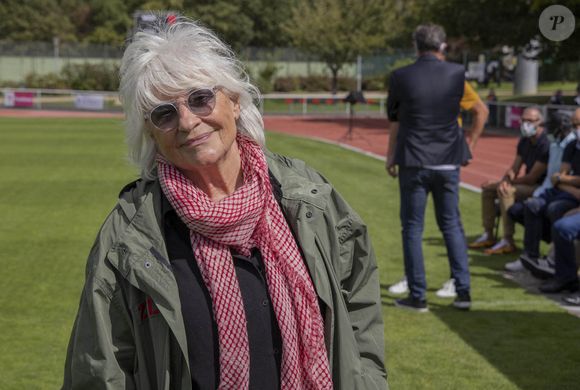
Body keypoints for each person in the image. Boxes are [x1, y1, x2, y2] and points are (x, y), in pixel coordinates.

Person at [62, 18, 387, 389]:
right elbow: (99, 371)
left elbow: (359, 308)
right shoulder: (129, 235)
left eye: (200, 98)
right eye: (164, 114)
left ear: (233, 101)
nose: (187, 122)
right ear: (150, 132)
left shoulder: (308, 198)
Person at [385, 24, 488, 312]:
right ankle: (463, 293)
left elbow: (395, 119)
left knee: (412, 228)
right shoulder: (457, 74)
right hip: (447, 161)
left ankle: (417, 296)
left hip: (413, 160)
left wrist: (390, 155)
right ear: (442, 46)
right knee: (452, 225)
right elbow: (477, 111)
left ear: (415, 46)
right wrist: (469, 146)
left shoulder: (400, 76)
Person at [469, 107, 549, 255]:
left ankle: (508, 240)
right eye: (523, 120)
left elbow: (532, 178)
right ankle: (488, 234)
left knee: (506, 191)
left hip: (540, 187)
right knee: (488, 188)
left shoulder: (545, 144)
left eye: (530, 121)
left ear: (540, 122)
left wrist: (506, 184)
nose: (525, 124)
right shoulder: (524, 141)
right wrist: (506, 179)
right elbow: (515, 167)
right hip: (526, 183)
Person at [504, 110, 577, 272]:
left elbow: (562, 177)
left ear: (561, 127)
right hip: (556, 189)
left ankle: (555, 260)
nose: (547, 131)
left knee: (554, 209)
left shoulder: (572, 144)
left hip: (568, 193)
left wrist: (560, 181)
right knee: (526, 207)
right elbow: (556, 176)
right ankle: (530, 256)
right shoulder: (561, 144)